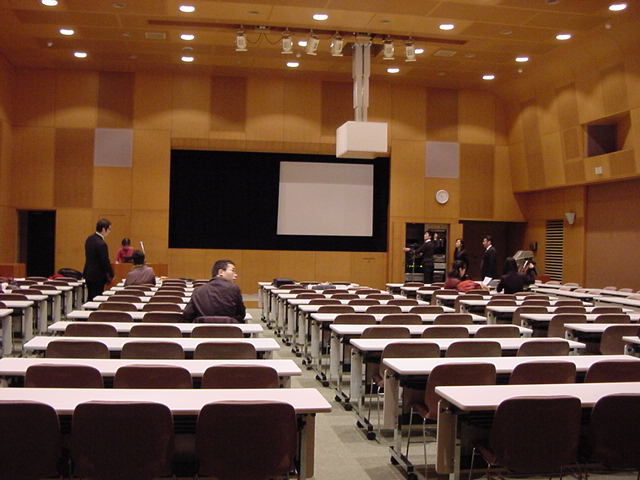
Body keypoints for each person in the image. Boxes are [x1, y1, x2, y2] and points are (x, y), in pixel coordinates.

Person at [83, 218, 114, 301]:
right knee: (97, 298)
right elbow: (105, 261)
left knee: (90, 297)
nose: (109, 231)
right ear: (104, 229)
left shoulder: (89, 239)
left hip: (88, 273)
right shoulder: (101, 244)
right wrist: (111, 274)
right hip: (98, 276)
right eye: (109, 229)